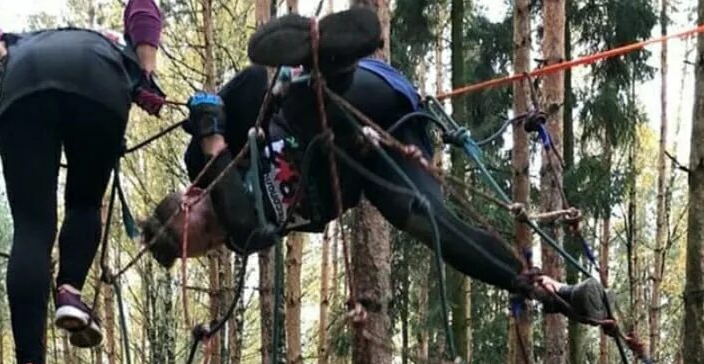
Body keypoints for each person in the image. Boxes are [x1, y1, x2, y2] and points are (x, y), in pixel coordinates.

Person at [143, 10, 606, 323]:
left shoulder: (198, 164)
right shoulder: (242, 229)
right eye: (206, 249)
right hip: (376, 159)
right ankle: (553, 293)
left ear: (191, 197)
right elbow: (243, 223)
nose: (215, 242)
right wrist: (213, 139)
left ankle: (329, 58)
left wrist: (219, 120)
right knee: (432, 224)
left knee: (306, 106)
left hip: (363, 96)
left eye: (202, 234)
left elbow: (250, 85)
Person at [0, 1, 165, 364]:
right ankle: (71, 291)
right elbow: (143, 7)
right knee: (83, 203)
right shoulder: (114, 47)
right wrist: (146, 76)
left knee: (32, 229)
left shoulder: (21, 44)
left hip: (24, 82)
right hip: (99, 83)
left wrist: (2, 54)